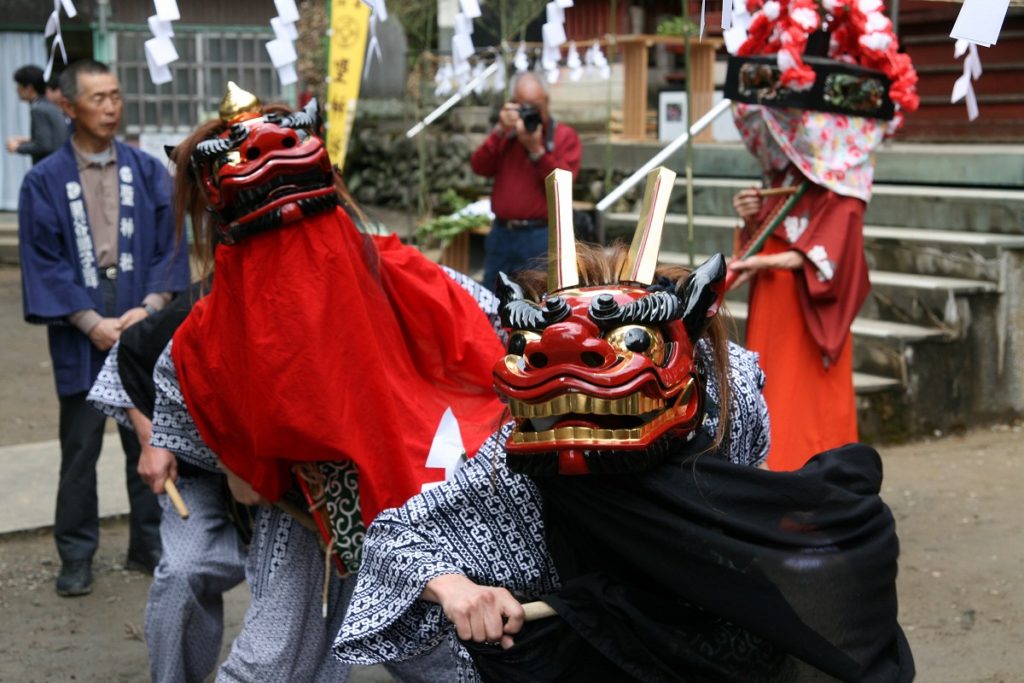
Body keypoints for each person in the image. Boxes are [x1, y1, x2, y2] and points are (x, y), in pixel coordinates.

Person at [333, 183, 913, 680]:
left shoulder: (728, 387)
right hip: (588, 653)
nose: (581, 382)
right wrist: (456, 586)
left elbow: (740, 503)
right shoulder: (540, 436)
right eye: (545, 357)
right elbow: (399, 535)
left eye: (628, 344)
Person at [148, 84, 506, 681]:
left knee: (446, 654)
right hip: (302, 507)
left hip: (412, 497)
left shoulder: (406, 278)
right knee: (270, 661)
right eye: (272, 246)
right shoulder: (201, 337)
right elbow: (233, 472)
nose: (295, 266)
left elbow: (493, 352)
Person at [18, 58, 190, 597]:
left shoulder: (145, 170)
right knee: (79, 449)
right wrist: (89, 320)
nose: (112, 107)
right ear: (67, 106)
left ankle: (149, 544)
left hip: (141, 317)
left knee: (150, 438)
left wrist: (154, 305)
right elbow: (43, 260)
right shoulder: (44, 181)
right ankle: (76, 554)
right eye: (98, 98)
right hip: (82, 326)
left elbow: (172, 245)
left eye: (116, 96)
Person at [470, 72, 582, 290]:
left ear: (547, 102)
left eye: (535, 105)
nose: (530, 112)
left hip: (539, 237)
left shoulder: (563, 136)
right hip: (501, 233)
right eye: (523, 105)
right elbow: (479, 166)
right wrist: (500, 130)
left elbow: (564, 184)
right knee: (492, 300)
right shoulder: (507, 135)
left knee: (537, 303)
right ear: (514, 105)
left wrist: (537, 151)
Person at [6, 64, 68, 164]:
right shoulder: (48, 105)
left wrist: (17, 147)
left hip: (49, 167)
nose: (17, 90)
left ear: (29, 88)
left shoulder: (38, 109)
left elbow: (44, 145)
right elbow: (51, 138)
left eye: (19, 85)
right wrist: (27, 141)